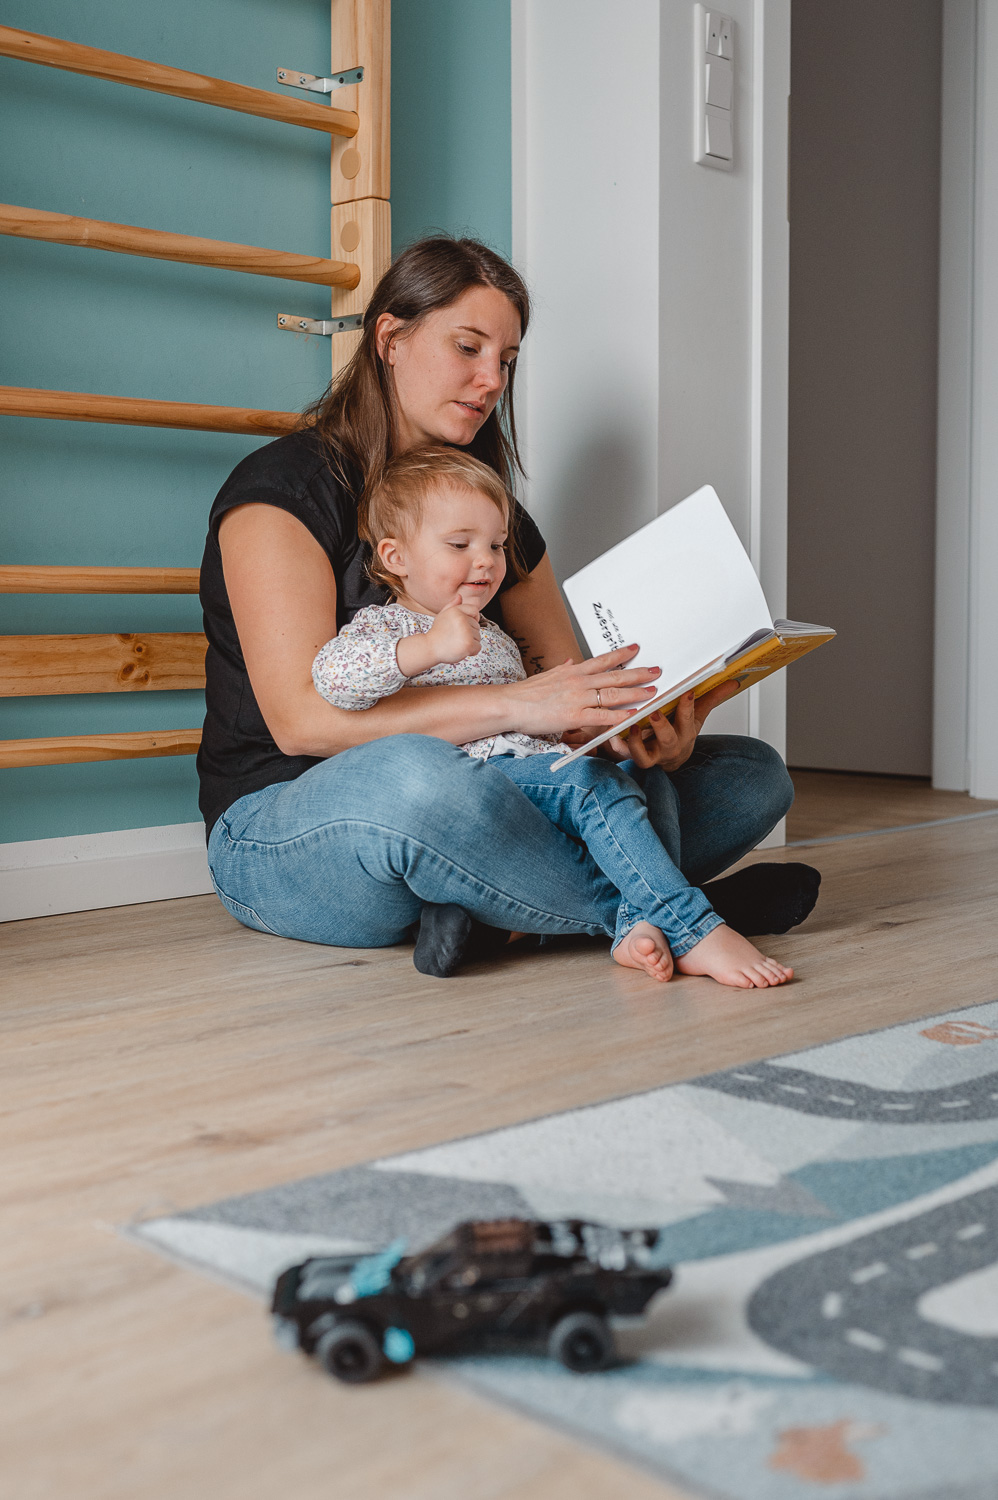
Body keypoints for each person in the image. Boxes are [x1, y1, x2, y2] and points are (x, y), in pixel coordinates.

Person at [198, 235, 819, 977]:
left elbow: (565, 698)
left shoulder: (499, 524)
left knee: (753, 774)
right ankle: (676, 911)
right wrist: (521, 706)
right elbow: (303, 723)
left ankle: (513, 915)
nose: (491, 378)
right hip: (292, 823)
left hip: (496, 790)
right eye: (468, 347)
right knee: (421, 779)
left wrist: (639, 731)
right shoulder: (281, 492)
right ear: (391, 339)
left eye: (508, 359)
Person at [311, 444, 794, 989]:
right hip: (477, 788)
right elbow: (333, 679)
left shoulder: (494, 635)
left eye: (495, 545)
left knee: (642, 778)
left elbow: (532, 718)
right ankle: (691, 925)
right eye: (459, 544)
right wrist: (425, 649)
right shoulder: (386, 627)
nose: (487, 560)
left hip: (541, 774)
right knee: (596, 788)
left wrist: (608, 733)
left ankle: (632, 926)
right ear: (396, 558)